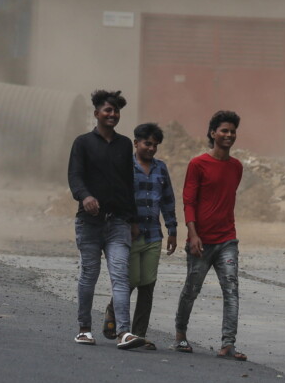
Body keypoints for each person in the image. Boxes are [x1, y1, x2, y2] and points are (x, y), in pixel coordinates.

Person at [67, 90, 145, 350]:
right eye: (108, 110)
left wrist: (133, 220)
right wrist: (85, 196)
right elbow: (75, 177)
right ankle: (84, 329)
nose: (112, 115)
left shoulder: (124, 145)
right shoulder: (82, 143)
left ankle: (124, 332)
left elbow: (128, 184)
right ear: (96, 114)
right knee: (90, 274)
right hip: (89, 223)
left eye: (116, 111)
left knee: (120, 275)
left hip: (118, 222)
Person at [173, 110, 246, 361]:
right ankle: (180, 334)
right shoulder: (197, 164)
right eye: (224, 130)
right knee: (192, 289)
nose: (229, 135)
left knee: (231, 289)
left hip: (227, 240)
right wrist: (193, 234)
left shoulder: (237, 167)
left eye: (232, 131)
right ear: (213, 133)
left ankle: (228, 344)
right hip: (201, 241)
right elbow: (189, 201)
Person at [102, 123, 177, 350]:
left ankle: (139, 334)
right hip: (130, 234)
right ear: (136, 143)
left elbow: (167, 200)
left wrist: (172, 230)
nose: (152, 149)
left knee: (148, 285)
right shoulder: (126, 167)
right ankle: (113, 311)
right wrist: (130, 221)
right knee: (131, 280)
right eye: (147, 143)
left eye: (155, 145)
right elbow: (120, 197)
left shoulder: (161, 168)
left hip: (154, 235)